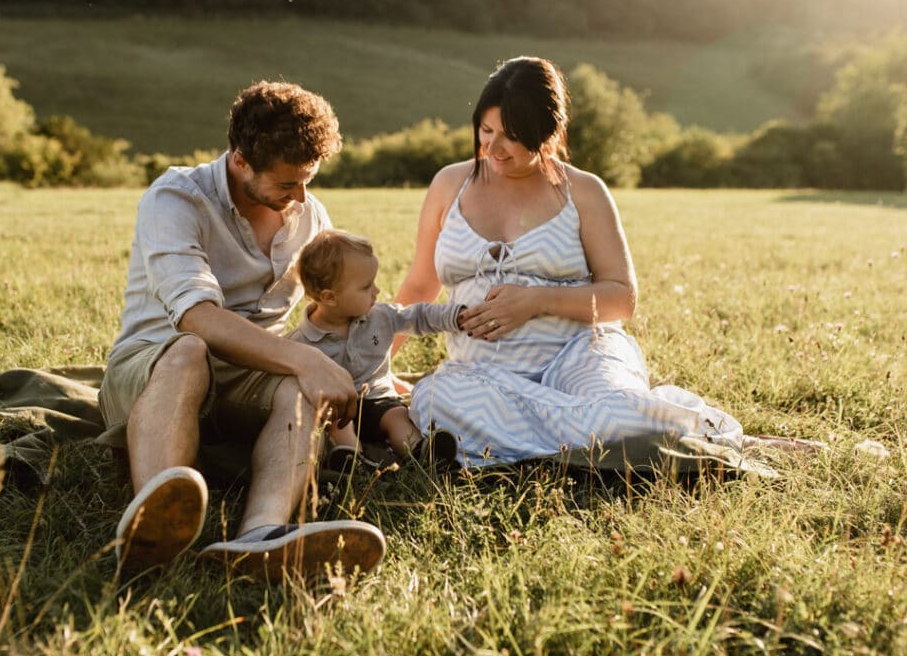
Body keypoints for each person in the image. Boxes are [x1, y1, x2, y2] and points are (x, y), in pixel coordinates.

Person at [393, 56, 747, 469]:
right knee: (437, 399)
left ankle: (562, 440)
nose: (493, 148)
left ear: (548, 131)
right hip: (485, 374)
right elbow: (420, 286)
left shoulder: (583, 191)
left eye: (511, 136)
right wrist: (373, 366)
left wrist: (535, 301)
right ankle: (632, 437)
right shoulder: (449, 184)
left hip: (580, 356)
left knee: (608, 408)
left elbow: (621, 299)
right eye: (485, 131)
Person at [99, 81, 386, 579]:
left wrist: (367, 369)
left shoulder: (309, 213)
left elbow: (333, 308)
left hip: (250, 374)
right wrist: (305, 359)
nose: (300, 198)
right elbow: (196, 317)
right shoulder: (176, 198)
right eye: (285, 185)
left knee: (300, 388)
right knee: (190, 350)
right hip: (157, 362)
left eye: (307, 182)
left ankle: (261, 537)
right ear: (239, 161)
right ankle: (155, 527)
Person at [288, 229, 460, 473]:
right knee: (336, 424)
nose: (376, 291)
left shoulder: (379, 315)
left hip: (378, 400)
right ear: (329, 297)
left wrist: (455, 316)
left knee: (397, 416)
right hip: (338, 408)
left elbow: (418, 316)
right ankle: (354, 462)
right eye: (367, 286)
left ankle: (423, 454)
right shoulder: (301, 342)